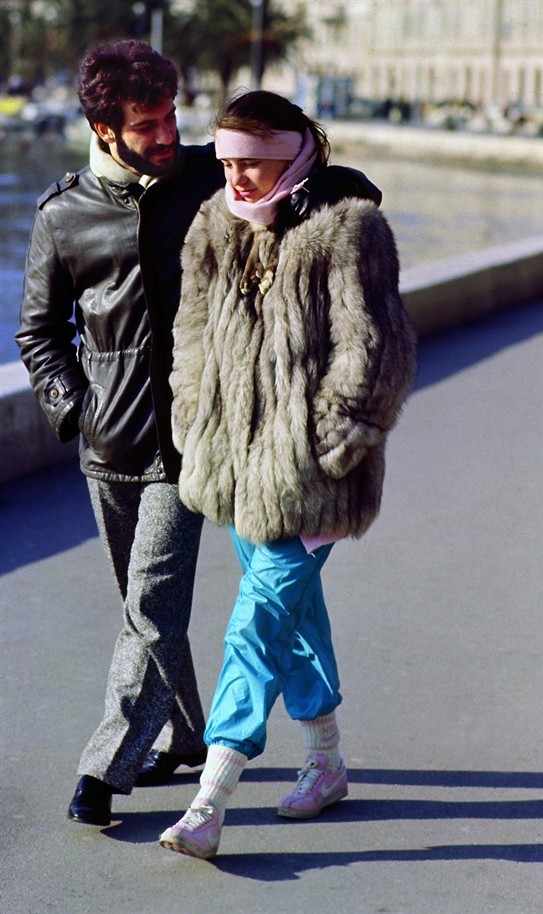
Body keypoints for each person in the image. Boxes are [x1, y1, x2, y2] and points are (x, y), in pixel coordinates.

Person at [15, 41, 383, 828]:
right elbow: (39, 333)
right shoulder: (62, 214)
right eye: (146, 124)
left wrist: (314, 182)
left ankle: (112, 769)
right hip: (108, 443)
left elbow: (334, 189)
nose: (166, 134)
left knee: (156, 605)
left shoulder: (208, 179)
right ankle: (193, 736)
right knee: (147, 608)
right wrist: (75, 409)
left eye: (170, 116)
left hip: (195, 443)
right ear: (104, 129)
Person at [158, 90, 417, 860]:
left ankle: (210, 801)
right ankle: (326, 763)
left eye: (252, 162)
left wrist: (332, 447)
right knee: (295, 619)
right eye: (227, 161)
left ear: (295, 152)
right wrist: (191, 417)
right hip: (237, 467)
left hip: (313, 479)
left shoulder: (349, 230)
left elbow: (376, 348)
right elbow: (190, 337)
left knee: (256, 623)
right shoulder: (214, 225)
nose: (236, 177)